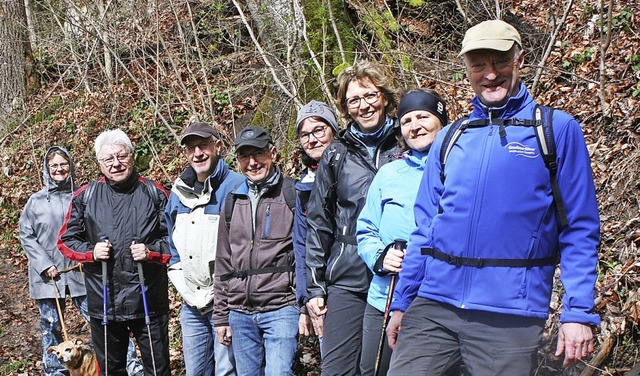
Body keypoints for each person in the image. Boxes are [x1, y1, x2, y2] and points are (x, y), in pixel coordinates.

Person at [386, 20, 600, 375]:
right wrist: (403, 300)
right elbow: (424, 228)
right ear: (467, 69)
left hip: (509, 314)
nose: (489, 74)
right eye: (478, 64)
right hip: (434, 304)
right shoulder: (451, 137)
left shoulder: (555, 130)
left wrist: (578, 311)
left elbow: (579, 227)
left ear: (520, 60)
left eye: (499, 61)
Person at [305, 60, 403, 375]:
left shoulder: (406, 142)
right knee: (337, 369)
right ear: (346, 108)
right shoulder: (336, 153)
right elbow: (319, 222)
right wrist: (316, 287)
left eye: (370, 95)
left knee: (379, 368)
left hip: (394, 275)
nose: (364, 106)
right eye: (354, 100)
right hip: (346, 275)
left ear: (385, 97)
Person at [19, 146, 144, 376]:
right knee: (51, 325)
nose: (59, 169)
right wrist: (44, 265)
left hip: (81, 272)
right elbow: (26, 236)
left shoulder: (85, 194)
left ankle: (129, 366)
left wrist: (89, 254)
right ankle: (55, 371)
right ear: (47, 170)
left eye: (63, 164)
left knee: (104, 321)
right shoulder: (35, 202)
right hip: (48, 277)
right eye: (54, 166)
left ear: (71, 166)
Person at [58, 129, 172, 376]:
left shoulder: (155, 193)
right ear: (99, 163)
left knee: (158, 370)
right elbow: (66, 241)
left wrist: (151, 252)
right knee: (111, 370)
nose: (116, 163)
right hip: (105, 302)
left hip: (149, 301)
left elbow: (178, 241)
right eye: (108, 159)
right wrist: (91, 252)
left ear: (132, 156)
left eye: (121, 156)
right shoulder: (85, 196)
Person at [356, 89, 448, 375]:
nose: (414, 125)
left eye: (423, 116)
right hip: (385, 294)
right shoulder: (389, 173)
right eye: (407, 120)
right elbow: (366, 228)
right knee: (372, 368)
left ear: (442, 121)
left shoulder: (459, 169)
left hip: (437, 300)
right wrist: (381, 258)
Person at [213, 126, 298, 376]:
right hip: (239, 312)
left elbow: (306, 254)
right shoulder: (232, 201)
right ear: (237, 161)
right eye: (244, 156)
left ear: (272, 152)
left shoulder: (291, 194)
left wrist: (303, 303)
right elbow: (223, 262)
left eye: (258, 153)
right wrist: (221, 316)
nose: (252, 162)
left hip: (281, 307)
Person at [165, 122, 244, 376]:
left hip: (227, 302)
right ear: (185, 154)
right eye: (191, 148)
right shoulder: (178, 193)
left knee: (226, 371)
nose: (197, 153)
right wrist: (180, 279)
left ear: (218, 146)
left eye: (203, 145)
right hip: (191, 305)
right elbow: (171, 242)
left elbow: (245, 247)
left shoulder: (237, 186)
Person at [292, 101, 338, 341]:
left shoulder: (354, 169)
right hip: (321, 293)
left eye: (318, 130)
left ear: (333, 129)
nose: (312, 139)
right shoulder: (303, 186)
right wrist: (305, 300)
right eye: (304, 134)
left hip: (357, 287)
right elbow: (302, 247)